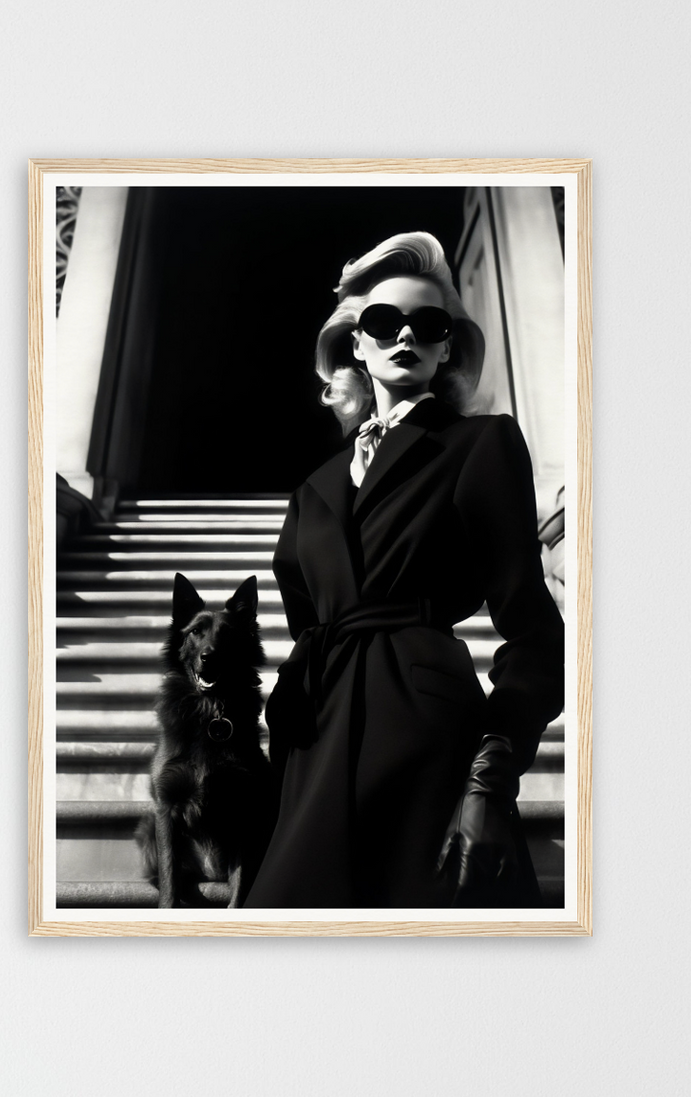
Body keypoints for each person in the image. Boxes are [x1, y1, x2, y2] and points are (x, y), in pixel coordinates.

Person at [242, 231, 564, 909]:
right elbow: (308, 620)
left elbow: (536, 632)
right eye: (383, 323)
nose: (405, 336)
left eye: (429, 324)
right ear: (354, 343)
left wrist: (488, 781)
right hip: (314, 738)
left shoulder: (481, 444)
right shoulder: (315, 487)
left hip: (429, 741)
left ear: (448, 346)